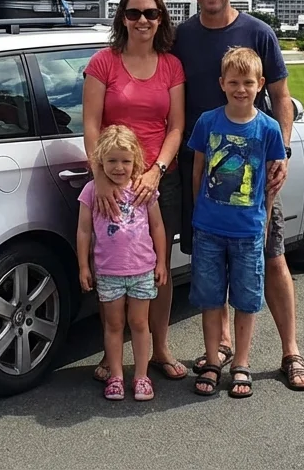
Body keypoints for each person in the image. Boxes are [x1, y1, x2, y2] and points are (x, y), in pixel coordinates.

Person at [172, 0, 304, 391]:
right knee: (211, 261)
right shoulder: (181, 37)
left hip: (256, 177)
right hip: (200, 169)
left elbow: (281, 98)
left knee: (271, 257)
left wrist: (283, 152)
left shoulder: (259, 32)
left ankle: (290, 350)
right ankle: (220, 348)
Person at [81, 0, 189, 382]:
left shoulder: (171, 66)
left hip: (159, 182)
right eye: (133, 13)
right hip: (111, 181)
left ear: (161, 18)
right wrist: (100, 177)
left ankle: (158, 349)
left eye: (150, 13)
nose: (142, 20)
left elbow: (176, 126)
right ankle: (112, 357)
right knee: (111, 265)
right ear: (121, 18)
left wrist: (156, 169)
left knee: (156, 269)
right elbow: (91, 124)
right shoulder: (103, 63)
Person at [187, 47, 286, 398]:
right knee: (211, 298)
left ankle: (241, 362)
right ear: (222, 84)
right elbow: (199, 169)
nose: (240, 89)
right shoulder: (208, 122)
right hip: (209, 229)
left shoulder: (268, 128)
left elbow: (271, 183)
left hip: (247, 229)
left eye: (247, 82)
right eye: (233, 82)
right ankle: (213, 360)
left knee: (246, 300)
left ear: (260, 84)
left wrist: (262, 219)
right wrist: (198, 213)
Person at [76, 125, 170, 401]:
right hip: (108, 272)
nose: (119, 167)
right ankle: (116, 375)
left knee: (140, 324)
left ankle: (141, 376)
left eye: (126, 161)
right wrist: (84, 265)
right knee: (114, 326)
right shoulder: (92, 191)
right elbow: (83, 230)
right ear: (100, 162)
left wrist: (162, 262)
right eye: (112, 161)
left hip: (142, 269)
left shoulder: (143, 190)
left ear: (135, 162)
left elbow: (158, 227)